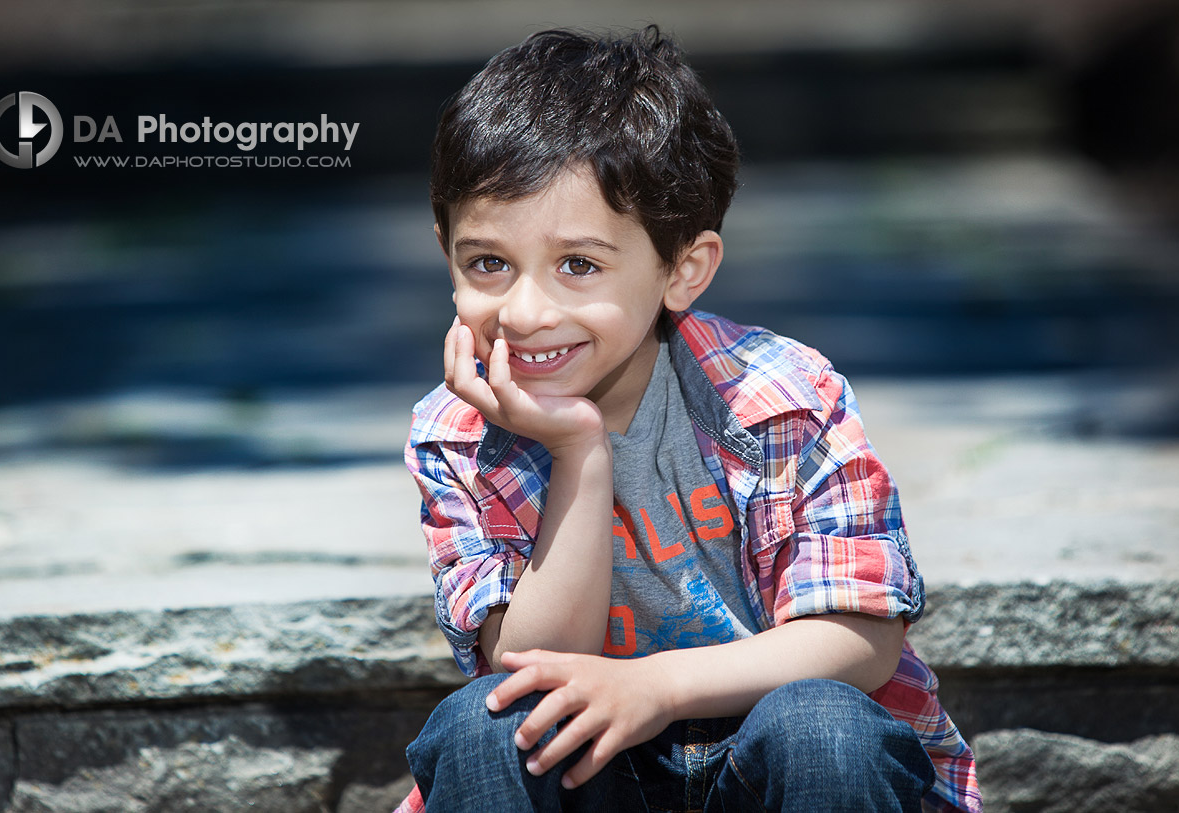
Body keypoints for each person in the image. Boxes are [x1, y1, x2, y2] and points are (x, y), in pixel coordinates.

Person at [398, 26, 981, 813]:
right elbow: (530, 660)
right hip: (594, 775)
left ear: (684, 269)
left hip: (771, 769)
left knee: (823, 722)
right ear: (446, 252)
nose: (527, 311)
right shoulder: (458, 435)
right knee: (484, 726)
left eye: (579, 265)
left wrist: (657, 685)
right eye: (488, 263)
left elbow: (864, 639)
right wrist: (579, 452)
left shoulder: (782, 396)